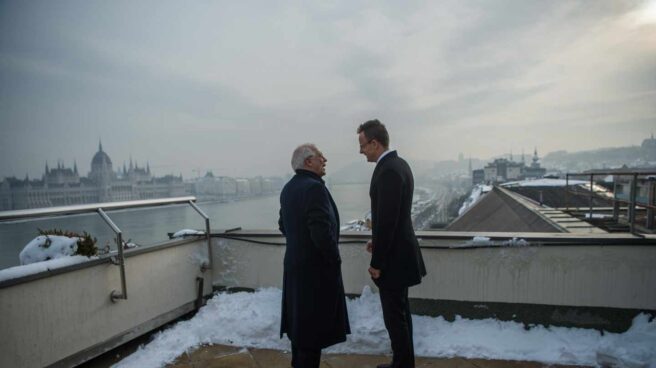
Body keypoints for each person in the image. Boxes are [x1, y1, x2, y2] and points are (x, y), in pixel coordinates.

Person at [357, 120, 427, 368]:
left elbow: (387, 222)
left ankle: (402, 365)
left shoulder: (387, 170)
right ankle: (403, 362)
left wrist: (377, 263)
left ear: (375, 143)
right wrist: (376, 242)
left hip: (394, 261)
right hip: (400, 253)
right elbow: (394, 218)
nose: (361, 150)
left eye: (363, 145)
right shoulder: (400, 165)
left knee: (395, 317)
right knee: (401, 314)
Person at [278, 143, 351, 368]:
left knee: (300, 331)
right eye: (320, 156)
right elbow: (321, 232)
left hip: (295, 268)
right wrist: (334, 259)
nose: (325, 159)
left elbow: (283, 225)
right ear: (308, 162)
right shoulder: (314, 188)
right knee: (312, 335)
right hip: (315, 273)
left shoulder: (288, 188)